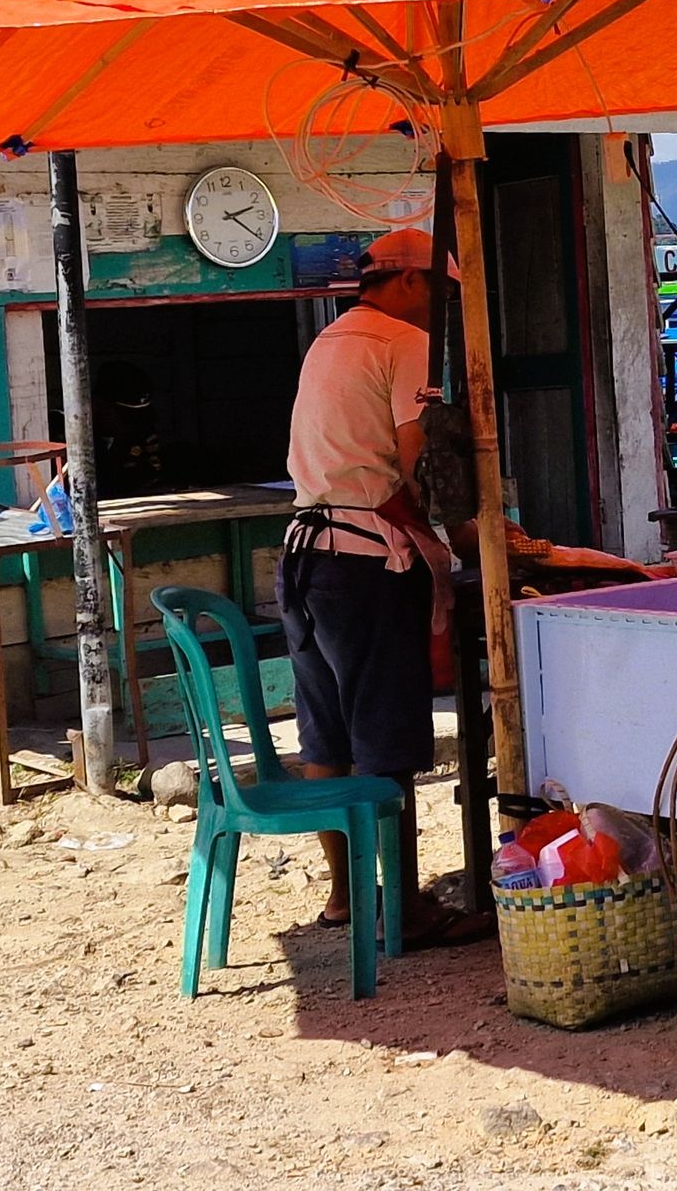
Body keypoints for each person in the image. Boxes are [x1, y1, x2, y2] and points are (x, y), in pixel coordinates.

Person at [280, 226, 473, 944]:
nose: (441, 310)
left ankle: (347, 894)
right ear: (412, 281)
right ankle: (406, 912)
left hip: (305, 553)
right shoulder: (404, 342)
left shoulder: (328, 341)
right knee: (387, 736)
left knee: (326, 732)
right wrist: (460, 532)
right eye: (442, 293)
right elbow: (415, 464)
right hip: (364, 561)